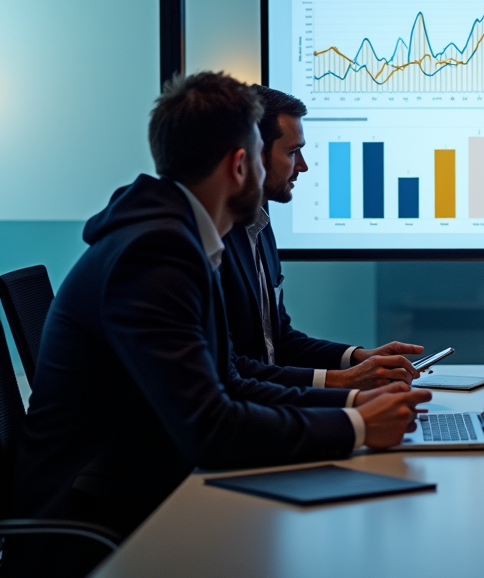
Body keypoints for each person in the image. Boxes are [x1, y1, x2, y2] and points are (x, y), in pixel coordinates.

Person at [7, 72, 430, 577]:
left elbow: (228, 379)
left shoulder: (176, 238)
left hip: (148, 488)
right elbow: (210, 428)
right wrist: (358, 425)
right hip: (100, 524)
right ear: (239, 166)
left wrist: (353, 401)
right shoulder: (154, 255)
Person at [220, 85, 424, 391]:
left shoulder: (259, 222)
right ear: (252, 157)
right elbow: (231, 366)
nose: (302, 165)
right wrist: (343, 384)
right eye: (292, 152)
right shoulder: (214, 241)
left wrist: (357, 358)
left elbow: (278, 340)